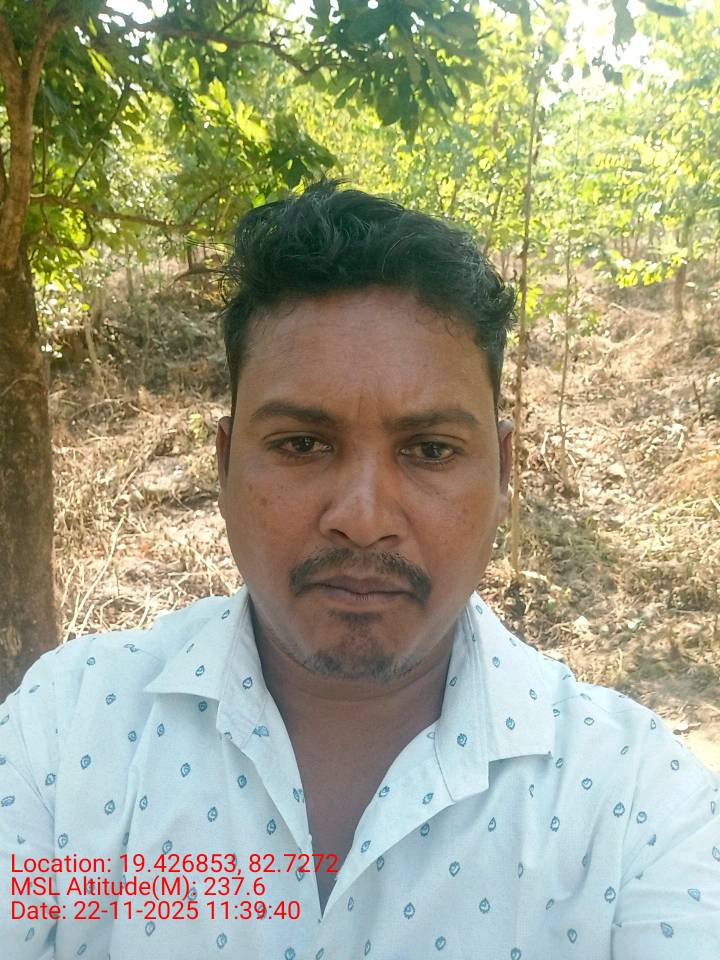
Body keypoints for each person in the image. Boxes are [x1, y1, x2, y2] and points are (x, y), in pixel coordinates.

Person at [1, 180, 718, 960]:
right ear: (224, 466)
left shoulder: (635, 803)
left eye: (431, 450)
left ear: (504, 473)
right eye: (302, 444)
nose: (364, 517)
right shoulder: (65, 733)